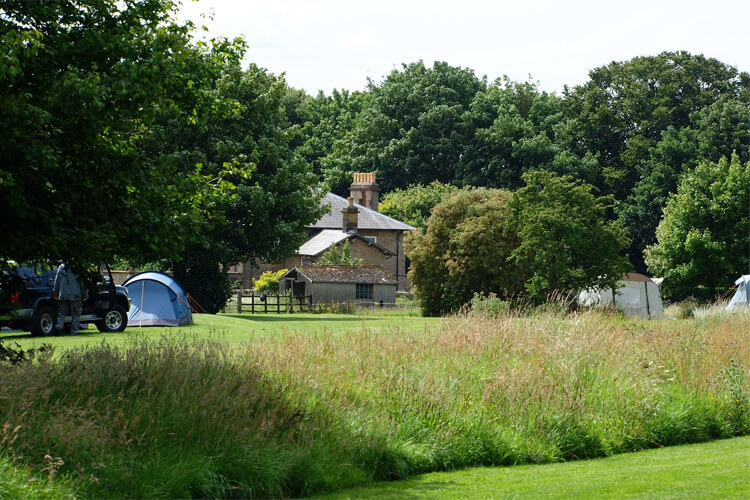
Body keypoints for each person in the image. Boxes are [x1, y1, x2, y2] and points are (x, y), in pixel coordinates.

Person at [54, 262, 83, 335]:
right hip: (76, 294)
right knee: (76, 314)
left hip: (63, 294)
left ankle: (59, 326)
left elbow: (57, 281)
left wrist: (56, 293)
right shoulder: (78, 268)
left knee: (61, 313)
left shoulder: (61, 267)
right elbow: (82, 283)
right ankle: (74, 331)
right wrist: (85, 294)